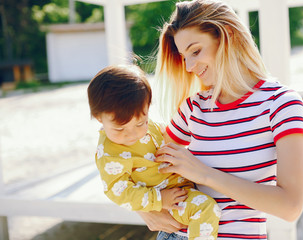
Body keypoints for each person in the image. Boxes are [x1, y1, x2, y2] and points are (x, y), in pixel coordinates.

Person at [138, 0, 303, 239]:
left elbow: (290, 206)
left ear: (227, 35)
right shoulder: (193, 108)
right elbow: (140, 162)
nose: (189, 66)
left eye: (195, 51)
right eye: (184, 56)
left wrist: (204, 174)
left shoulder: (280, 103)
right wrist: (144, 209)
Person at [87, 64, 221, 240]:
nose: (132, 134)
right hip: (171, 200)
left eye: (140, 123)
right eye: (120, 129)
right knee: (205, 208)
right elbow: (118, 191)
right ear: (99, 117)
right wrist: (158, 199)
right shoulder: (110, 154)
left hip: (187, 183)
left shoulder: (152, 128)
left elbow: (172, 136)